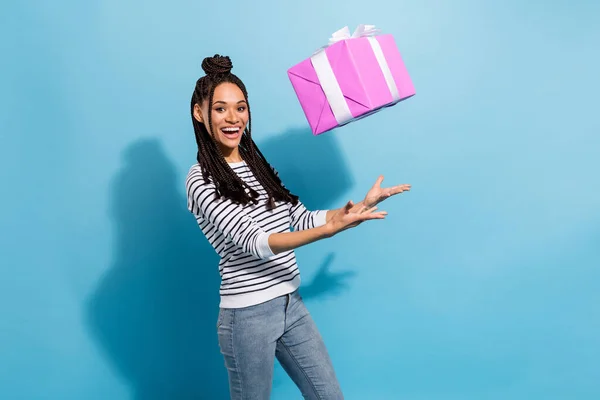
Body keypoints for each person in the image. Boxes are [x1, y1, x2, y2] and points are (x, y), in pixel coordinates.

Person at [185, 54, 411, 400]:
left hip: (291, 303)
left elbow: (299, 218)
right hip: (247, 317)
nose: (233, 118)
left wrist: (350, 212)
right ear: (200, 113)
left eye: (241, 108)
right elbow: (256, 242)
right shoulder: (201, 179)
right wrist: (329, 231)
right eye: (220, 109)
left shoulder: (258, 166)